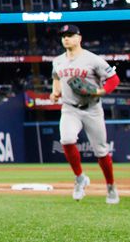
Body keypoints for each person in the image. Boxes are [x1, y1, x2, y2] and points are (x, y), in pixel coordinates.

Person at [50, 24, 120, 204]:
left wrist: (100, 91)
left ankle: (111, 186)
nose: (66, 38)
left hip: (92, 109)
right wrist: (55, 92)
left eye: (70, 35)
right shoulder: (58, 61)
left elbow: (114, 79)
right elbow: (56, 78)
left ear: (79, 38)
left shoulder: (92, 59)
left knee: (101, 151)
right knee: (66, 139)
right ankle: (80, 178)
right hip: (69, 108)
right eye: (64, 35)